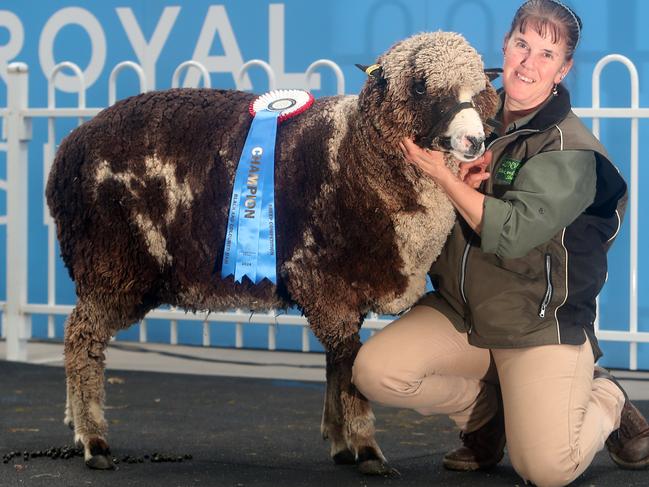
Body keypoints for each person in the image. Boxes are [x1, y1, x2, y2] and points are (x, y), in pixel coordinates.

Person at [351, 1, 649, 486]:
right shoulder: (471, 120)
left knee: (547, 470)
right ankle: (486, 416)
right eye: (522, 45)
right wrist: (448, 175)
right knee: (375, 372)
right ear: (505, 47)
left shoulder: (569, 149)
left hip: (534, 324)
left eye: (547, 54)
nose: (529, 63)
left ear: (564, 68)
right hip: (462, 313)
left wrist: (445, 180)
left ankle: (606, 398)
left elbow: (511, 233)